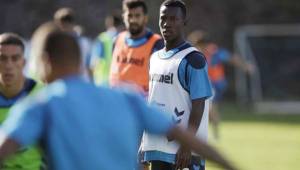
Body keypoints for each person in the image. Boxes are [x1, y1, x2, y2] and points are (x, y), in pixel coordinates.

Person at [0, 21, 237, 170]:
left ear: (44, 62)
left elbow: (5, 148)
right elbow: (188, 138)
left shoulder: (42, 105)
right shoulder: (127, 97)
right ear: (80, 61)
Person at [142, 0, 213, 170]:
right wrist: (144, 143)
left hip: (184, 153)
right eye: (163, 18)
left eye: (174, 19)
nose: (167, 24)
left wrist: (187, 146)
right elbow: (152, 101)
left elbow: (198, 105)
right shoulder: (155, 58)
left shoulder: (194, 59)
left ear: (184, 22)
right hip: (157, 147)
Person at [188, 30, 254, 139]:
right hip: (205, 85)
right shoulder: (195, 54)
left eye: (196, 45)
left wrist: (245, 66)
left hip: (215, 85)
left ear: (202, 45)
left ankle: (213, 134)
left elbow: (232, 58)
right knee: (205, 109)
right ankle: (212, 133)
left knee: (209, 108)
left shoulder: (214, 52)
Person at [0, 33, 42, 169]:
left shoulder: (43, 96)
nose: (8, 65)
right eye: (2, 58)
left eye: (15, 58)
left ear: (23, 62)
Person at [109, 0, 164, 95]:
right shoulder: (117, 40)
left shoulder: (157, 44)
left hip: (141, 106)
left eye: (137, 16)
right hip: (115, 103)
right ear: (123, 17)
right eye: (129, 16)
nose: (133, 20)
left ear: (145, 18)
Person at [54, 7, 92, 81]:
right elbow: (89, 66)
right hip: (82, 82)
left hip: (67, 83)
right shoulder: (85, 42)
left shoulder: (57, 43)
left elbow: (89, 66)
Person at [90, 10, 124, 86]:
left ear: (108, 23)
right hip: (119, 81)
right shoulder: (125, 38)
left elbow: (93, 63)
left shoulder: (102, 39)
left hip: (102, 81)